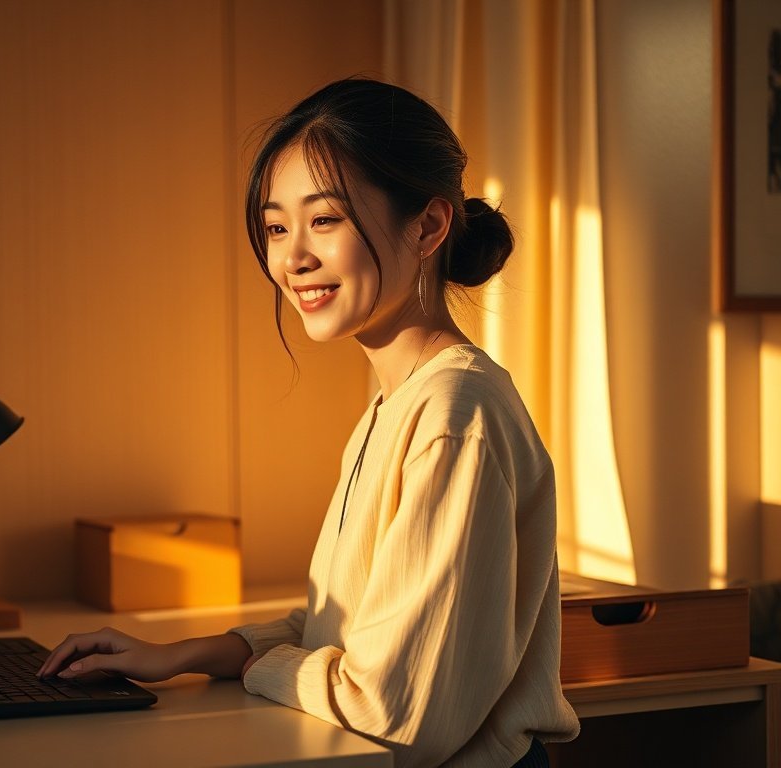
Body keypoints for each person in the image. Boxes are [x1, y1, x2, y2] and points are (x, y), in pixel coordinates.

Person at [37, 77, 580, 767]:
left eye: (324, 219)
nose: (292, 258)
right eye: (275, 226)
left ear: (430, 226)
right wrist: (187, 654)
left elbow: (394, 712)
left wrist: (254, 669)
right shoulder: (397, 404)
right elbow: (344, 633)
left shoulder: (453, 418)